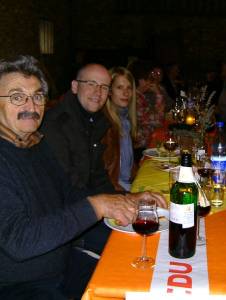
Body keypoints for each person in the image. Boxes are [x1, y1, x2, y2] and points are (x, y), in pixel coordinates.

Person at [0, 55, 166, 299]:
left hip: (62, 264)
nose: (31, 106)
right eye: (17, 97)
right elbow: (19, 241)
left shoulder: (34, 144)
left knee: (144, 279)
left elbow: (68, 193)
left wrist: (128, 199)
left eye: (37, 96)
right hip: (21, 285)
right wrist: (96, 206)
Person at [41, 63, 114, 194]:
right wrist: (105, 204)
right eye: (91, 84)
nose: (98, 92)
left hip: (86, 202)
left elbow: (97, 176)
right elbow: (67, 185)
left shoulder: (95, 121)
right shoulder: (55, 123)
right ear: (75, 86)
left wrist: (124, 199)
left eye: (104, 87)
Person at [103, 66, 137, 192]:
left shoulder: (125, 120)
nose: (126, 93)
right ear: (109, 91)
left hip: (126, 184)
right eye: (119, 87)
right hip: (115, 189)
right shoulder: (106, 124)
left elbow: (129, 165)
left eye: (129, 88)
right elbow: (105, 174)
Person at [131, 61, 166, 163]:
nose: (150, 82)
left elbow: (155, 115)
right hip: (139, 149)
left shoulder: (140, 97)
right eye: (147, 79)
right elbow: (158, 121)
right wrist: (159, 94)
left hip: (144, 144)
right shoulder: (135, 99)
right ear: (138, 79)